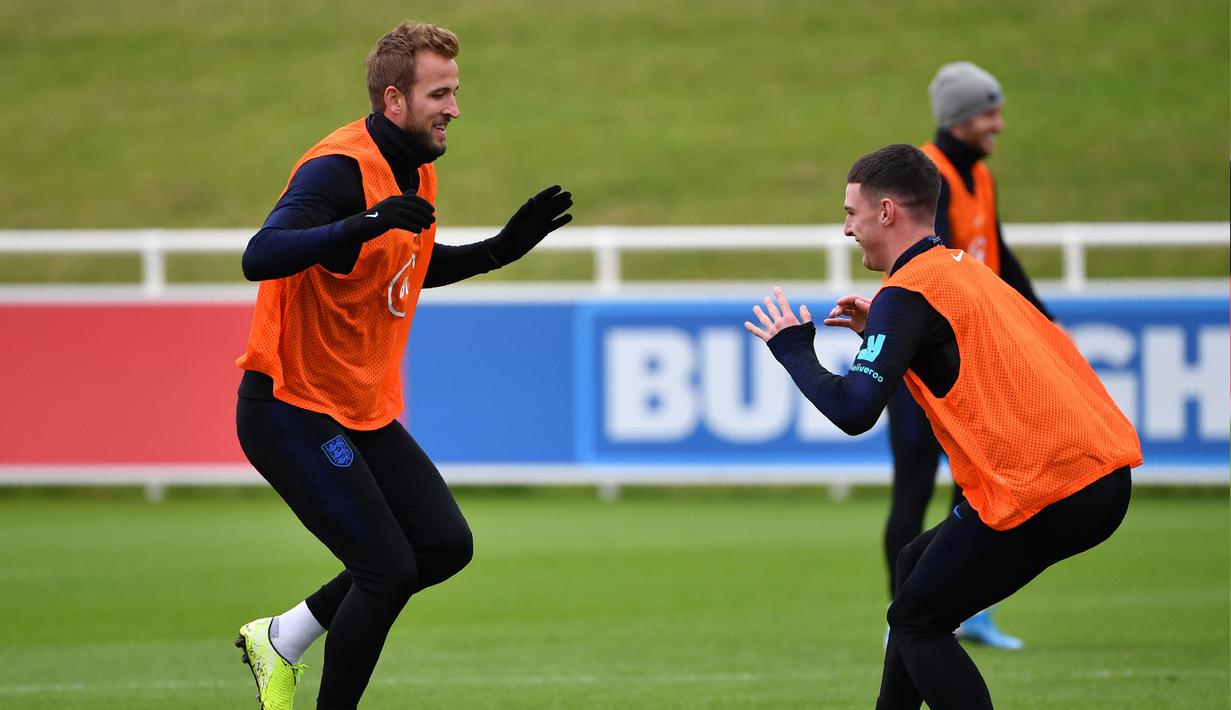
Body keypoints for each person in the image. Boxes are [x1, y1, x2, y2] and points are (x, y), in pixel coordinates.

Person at [232, 21, 573, 710]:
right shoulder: (338, 169)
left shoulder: (416, 166)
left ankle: (283, 636)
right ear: (394, 100)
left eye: (454, 91)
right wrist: (360, 223)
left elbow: (407, 266)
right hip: (289, 405)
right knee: (385, 568)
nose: (454, 108)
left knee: (443, 545)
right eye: (439, 94)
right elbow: (260, 255)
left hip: (356, 406)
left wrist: (498, 250)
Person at [745, 143, 1140, 709]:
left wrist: (793, 350)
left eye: (851, 213)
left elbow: (854, 411)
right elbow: (957, 353)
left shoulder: (907, 294)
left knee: (917, 622)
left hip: (1049, 486)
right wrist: (880, 334)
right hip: (1094, 474)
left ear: (886, 213)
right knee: (913, 572)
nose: (846, 229)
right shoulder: (956, 269)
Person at [881, 61, 1053, 649]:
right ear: (960, 118)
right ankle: (900, 618)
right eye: (989, 112)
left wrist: (1041, 320)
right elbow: (939, 270)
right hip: (926, 361)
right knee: (913, 487)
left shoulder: (980, 177)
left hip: (973, 363)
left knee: (977, 490)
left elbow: (998, 253)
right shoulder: (927, 178)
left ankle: (969, 609)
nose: (998, 124)